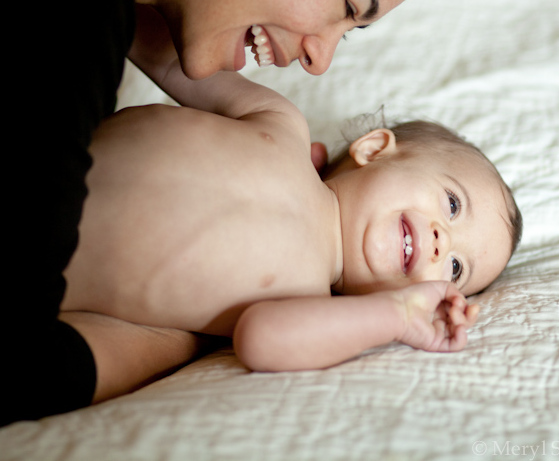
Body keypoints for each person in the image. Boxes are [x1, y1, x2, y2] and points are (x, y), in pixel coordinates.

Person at [0, 0, 450, 435]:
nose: (319, 61)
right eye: (347, 5)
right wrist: (188, 335)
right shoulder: (73, 3)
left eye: (348, 33)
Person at [58, 71, 523, 401]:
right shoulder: (280, 123)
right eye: (452, 204)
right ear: (375, 148)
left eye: (456, 269)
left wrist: (398, 317)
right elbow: (174, 59)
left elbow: (258, 340)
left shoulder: (307, 305)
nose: (443, 242)